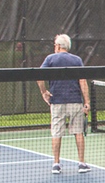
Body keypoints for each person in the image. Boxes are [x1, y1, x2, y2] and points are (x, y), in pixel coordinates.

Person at [37, 34, 91, 174]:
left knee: (56, 133)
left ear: (59, 46)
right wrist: (87, 102)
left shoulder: (50, 59)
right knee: (78, 132)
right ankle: (82, 163)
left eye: (55, 44)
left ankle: (56, 164)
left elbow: (39, 76)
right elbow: (82, 81)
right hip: (75, 102)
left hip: (57, 102)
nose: (54, 47)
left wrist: (44, 92)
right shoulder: (77, 60)